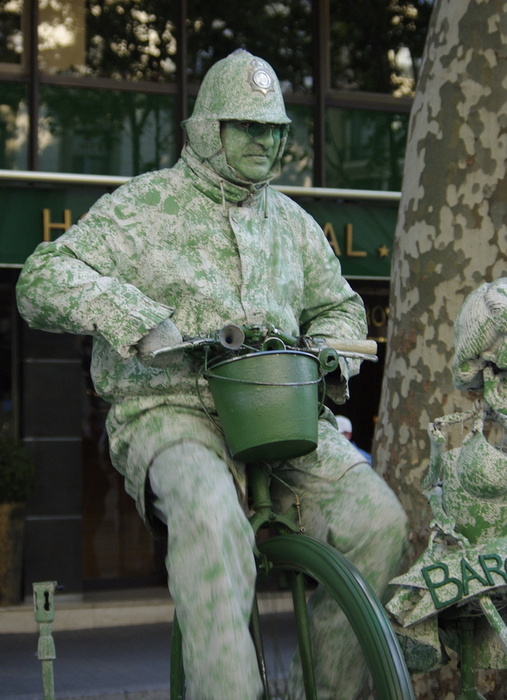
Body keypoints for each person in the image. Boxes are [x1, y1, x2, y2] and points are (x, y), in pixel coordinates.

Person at [16, 49, 407, 700]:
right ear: (205, 129)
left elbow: (339, 306)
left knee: (380, 523)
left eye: (274, 129)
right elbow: (40, 278)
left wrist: (328, 348)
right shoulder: (143, 208)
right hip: (172, 413)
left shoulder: (294, 224)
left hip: (283, 412)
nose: (265, 141)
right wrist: (135, 317)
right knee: (210, 517)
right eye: (247, 126)